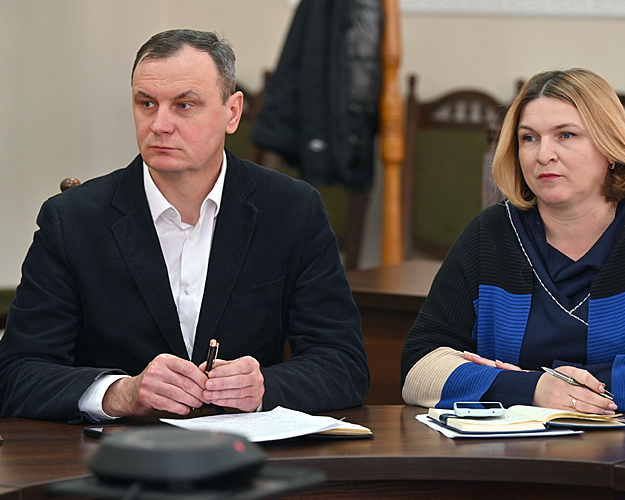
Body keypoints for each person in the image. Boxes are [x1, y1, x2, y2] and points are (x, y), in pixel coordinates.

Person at [0, 29, 369, 422]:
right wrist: (120, 393)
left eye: (184, 105)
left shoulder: (292, 210)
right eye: (146, 103)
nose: (160, 124)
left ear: (232, 112)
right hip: (115, 451)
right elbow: (17, 374)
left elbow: (343, 364)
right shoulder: (73, 220)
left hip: (246, 452)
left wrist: (264, 387)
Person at [401, 68, 625, 414]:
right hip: (511, 445)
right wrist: (532, 389)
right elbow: (418, 369)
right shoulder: (491, 233)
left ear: (610, 147)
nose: (544, 155)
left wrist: (564, 390)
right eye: (529, 138)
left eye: (566, 135)